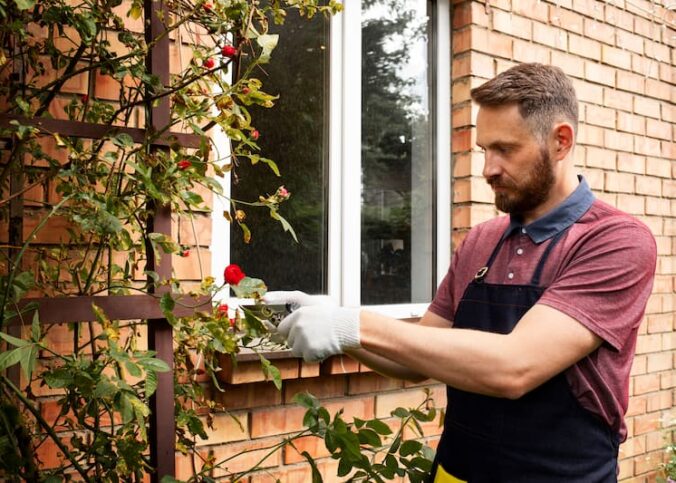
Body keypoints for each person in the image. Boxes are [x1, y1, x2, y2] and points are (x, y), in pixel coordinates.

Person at [264, 63, 657, 482]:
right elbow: (418, 358)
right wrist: (332, 322)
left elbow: (515, 367)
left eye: (505, 149)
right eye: (484, 149)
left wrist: (353, 325)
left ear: (561, 142)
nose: (488, 168)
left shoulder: (615, 241)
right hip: (457, 472)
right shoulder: (481, 241)